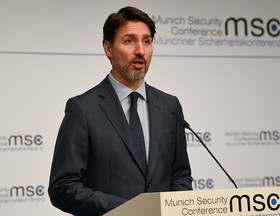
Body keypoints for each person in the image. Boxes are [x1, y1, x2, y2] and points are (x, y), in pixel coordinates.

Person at [48, 6, 192, 216]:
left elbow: (180, 174)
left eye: (147, 41)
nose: (140, 51)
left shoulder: (170, 106)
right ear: (108, 48)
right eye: (129, 41)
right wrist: (128, 211)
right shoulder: (83, 109)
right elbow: (63, 187)